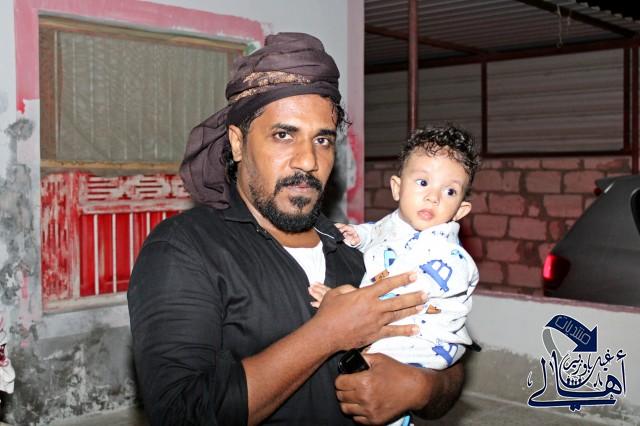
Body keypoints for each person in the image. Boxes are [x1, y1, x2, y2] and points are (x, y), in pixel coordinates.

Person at [128, 32, 464, 426]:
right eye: (284, 135)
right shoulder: (184, 250)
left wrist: (418, 387)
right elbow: (180, 413)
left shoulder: (359, 249)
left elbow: (448, 354)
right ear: (237, 143)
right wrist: (327, 333)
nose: (308, 160)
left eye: (322, 139)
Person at [309, 125, 479, 425]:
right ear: (397, 188)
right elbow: (376, 231)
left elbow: (404, 292)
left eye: (449, 191)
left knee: (379, 381)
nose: (433, 197)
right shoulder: (396, 222)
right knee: (369, 388)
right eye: (423, 182)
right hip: (397, 328)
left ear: (461, 210)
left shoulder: (449, 254)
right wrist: (357, 236)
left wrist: (347, 301)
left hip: (427, 340)